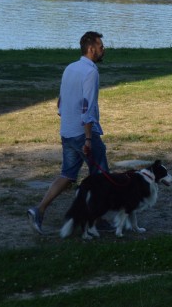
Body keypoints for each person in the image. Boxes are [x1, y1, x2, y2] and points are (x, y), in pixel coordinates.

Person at [28, 31, 110, 234]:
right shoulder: (91, 72)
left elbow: (61, 101)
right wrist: (89, 138)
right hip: (83, 134)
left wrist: (65, 118)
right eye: (100, 46)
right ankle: (96, 220)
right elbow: (87, 107)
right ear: (91, 49)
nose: (103, 49)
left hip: (67, 131)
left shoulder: (70, 68)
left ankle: (39, 210)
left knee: (67, 175)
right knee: (101, 177)